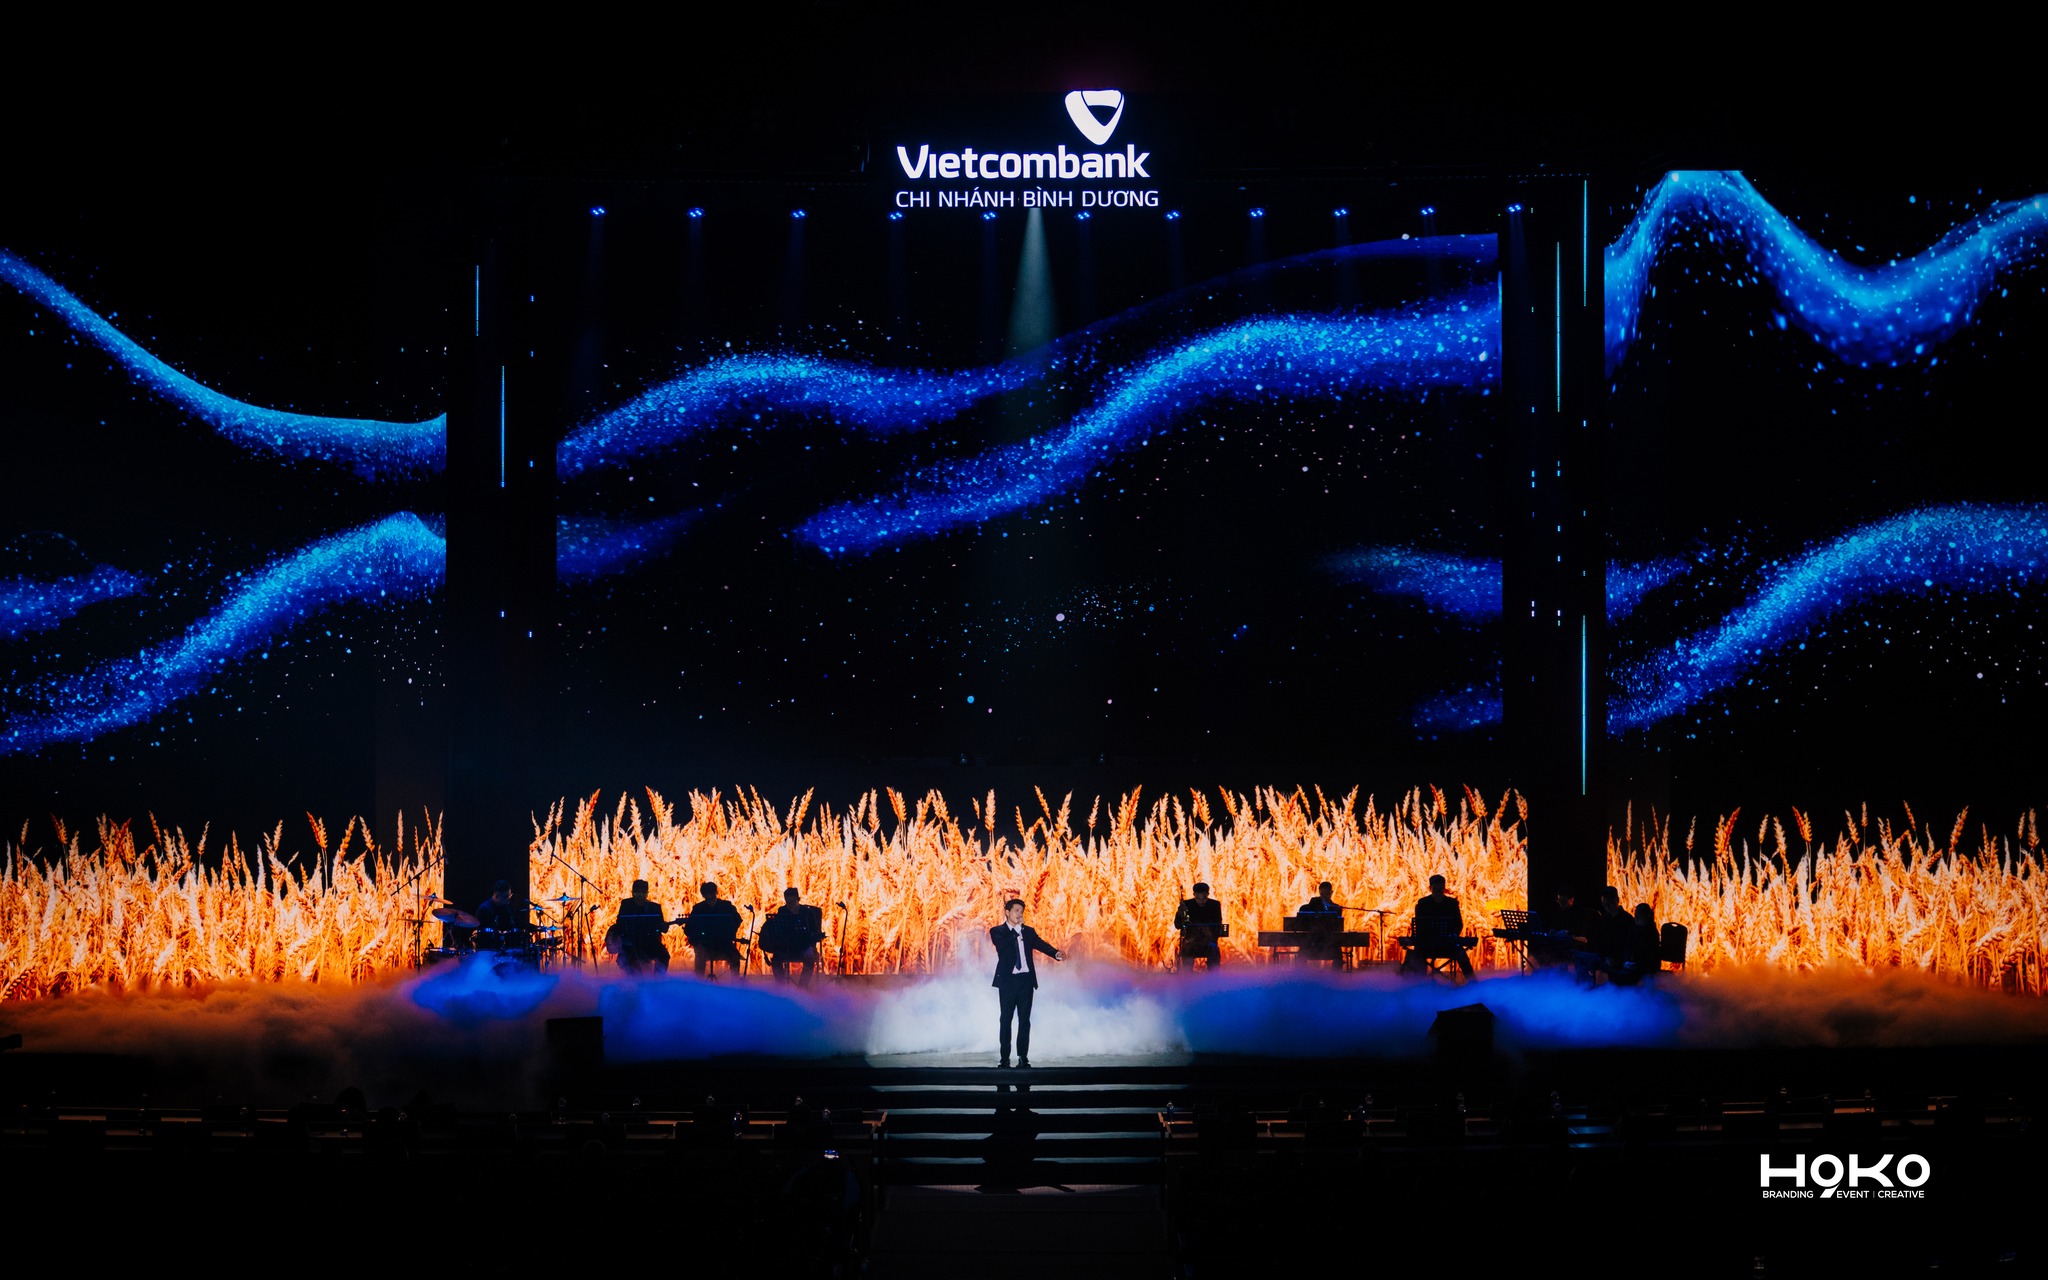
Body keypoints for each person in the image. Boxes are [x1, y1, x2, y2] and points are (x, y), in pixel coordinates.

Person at [989, 898, 1063, 1067]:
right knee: (1005, 1020)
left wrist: (1055, 954)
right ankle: (1005, 1059)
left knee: (1024, 1021)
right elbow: (1002, 947)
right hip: (1008, 983)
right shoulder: (997, 931)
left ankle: (1023, 1057)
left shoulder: (1028, 932)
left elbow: (1040, 944)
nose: (1019, 914)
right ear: (1007, 912)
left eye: (1021, 912)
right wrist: (1016, 930)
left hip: (1025, 982)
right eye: (1016, 911)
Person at [1401, 874, 1473, 977]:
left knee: (1461, 954)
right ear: (1430, 888)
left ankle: (1473, 983)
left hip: (1447, 944)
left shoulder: (1452, 903)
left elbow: (1458, 924)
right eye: (1436, 889)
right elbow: (1420, 925)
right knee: (1415, 955)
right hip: (1427, 944)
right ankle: (1418, 983)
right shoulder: (1423, 903)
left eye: (1440, 889)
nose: (1438, 892)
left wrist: (1453, 935)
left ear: (1444, 888)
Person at [762, 887, 825, 985]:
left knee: (809, 958)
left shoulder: (808, 912)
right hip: (787, 946)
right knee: (776, 960)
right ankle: (781, 986)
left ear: (798, 900)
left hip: (805, 945)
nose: (790, 905)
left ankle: (802, 986)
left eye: (792, 902)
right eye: (787, 902)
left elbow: (815, 932)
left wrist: (811, 944)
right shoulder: (782, 911)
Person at [609, 879, 672, 975]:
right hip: (631, 944)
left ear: (647, 894)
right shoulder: (626, 905)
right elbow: (619, 924)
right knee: (634, 969)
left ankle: (658, 979)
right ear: (632, 893)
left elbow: (662, 928)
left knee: (664, 956)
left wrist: (664, 927)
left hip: (649, 943)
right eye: (637, 892)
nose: (639, 895)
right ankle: (633, 980)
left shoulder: (654, 908)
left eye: (642, 893)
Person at [683, 882, 745, 977]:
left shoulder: (726, 906)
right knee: (700, 955)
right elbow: (689, 928)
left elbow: (737, 920)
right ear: (704, 895)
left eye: (712, 894)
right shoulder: (698, 908)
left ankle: (735, 981)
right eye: (707, 896)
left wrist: (730, 932)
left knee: (735, 957)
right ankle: (699, 982)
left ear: (715, 893)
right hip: (704, 943)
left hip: (723, 942)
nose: (710, 898)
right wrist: (696, 940)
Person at [1173, 882, 1225, 970]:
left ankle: (1213, 975)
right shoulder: (1186, 905)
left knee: (1213, 951)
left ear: (1208, 895)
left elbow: (1217, 923)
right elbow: (1178, 925)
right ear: (1194, 895)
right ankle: (1188, 975)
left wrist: (1209, 932)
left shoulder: (1214, 905)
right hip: (1191, 940)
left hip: (1209, 940)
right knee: (1187, 951)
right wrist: (1180, 915)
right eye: (1198, 898)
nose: (1201, 901)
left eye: (1204, 898)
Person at [1297, 880, 1343, 965]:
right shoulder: (1309, 907)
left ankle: (1336, 973)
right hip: (1312, 941)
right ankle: (1301, 972)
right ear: (1319, 892)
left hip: (1328, 942)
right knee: (1303, 950)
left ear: (1331, 893)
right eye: (1322, 894)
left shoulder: (1336, 908)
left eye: (1327, 894)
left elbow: (1337, 927)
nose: (1325, 897)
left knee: (1338, 953)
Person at [475, 879, 521, 951]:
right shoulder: (484, 909)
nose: (508, 899)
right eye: (506, 897)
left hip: (506, 948)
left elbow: (515, 922)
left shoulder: (509, 907)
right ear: (496, 896)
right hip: (488, 949)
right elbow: (480, 932)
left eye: (510, 896)